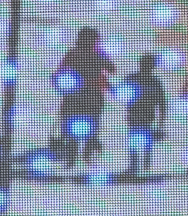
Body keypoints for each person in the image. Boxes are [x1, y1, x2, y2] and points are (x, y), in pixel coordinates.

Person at [51, 27, 117, 170]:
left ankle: (74, 156)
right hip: (88, 98)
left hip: (77, 98)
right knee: (87, 126)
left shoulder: (74, 54)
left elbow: (58, 73)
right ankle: (84, 153)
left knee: (73, 128)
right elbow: (112, 69)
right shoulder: (95, 56)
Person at [127, 52, 167, 179]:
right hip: (135, 118)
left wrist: (160, 124)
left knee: (146, 142)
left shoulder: (156, 83)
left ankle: (144, 166)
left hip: (146, 118)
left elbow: (162, 105)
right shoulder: (131, 79)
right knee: (135, 142)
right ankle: (135, 166)